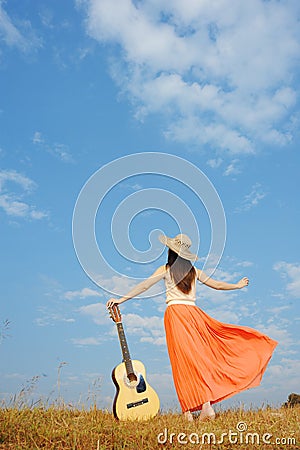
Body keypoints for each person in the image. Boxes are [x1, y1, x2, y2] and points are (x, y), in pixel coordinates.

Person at [106, 233, 278, 421]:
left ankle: (188, 412)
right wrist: (237, 286)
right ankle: (204, 407)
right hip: (195, 315)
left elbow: (144, 286)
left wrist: (121, 299)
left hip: (176, 315)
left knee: (182, 362)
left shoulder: (166, 269)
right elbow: (218, 285)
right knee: (199, 360)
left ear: (171, 251)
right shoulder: (194, 272)